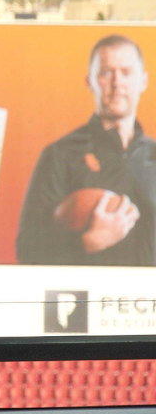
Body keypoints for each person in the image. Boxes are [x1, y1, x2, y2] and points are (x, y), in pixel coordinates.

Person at [16, 34, 156, 266]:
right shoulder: (61, 155)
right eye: (106, 72)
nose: (117, 83)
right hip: (88, 288)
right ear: (90, 81)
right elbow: (27, 250)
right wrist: (89, 241)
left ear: (144, 81)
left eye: (126, 72)